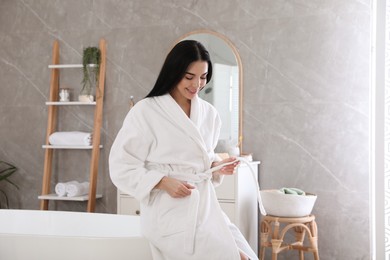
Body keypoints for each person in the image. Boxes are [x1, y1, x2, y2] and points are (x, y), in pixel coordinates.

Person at [109, 40, 258, 260]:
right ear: (174, 72)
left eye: (203, 77)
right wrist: (163, 182)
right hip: (170, 211)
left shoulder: (209, 113)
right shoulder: (146, 111)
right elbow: (121, 166)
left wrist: (217, 166)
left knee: (246, 254)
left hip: (205, 207)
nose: (197, 84)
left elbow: (203, 155)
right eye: (189, 77)